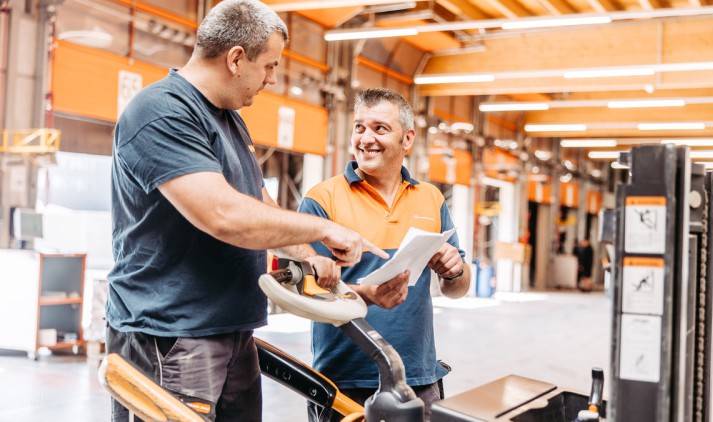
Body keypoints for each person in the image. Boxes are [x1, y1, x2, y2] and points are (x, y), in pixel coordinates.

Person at [106, 2, 386, 421]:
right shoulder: (161, 111)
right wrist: (325, 228)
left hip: (231, 327)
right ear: (236, 58)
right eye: (269, 66)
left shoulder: (229, 119)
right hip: (173, 334)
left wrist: (310, 257)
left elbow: (257, 201)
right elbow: (223, 214)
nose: (272, 79)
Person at [299, 88, 471, 421]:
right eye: (359, 127)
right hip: (344, 380)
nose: (366, 139)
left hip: (417, 378)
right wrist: (363, 296)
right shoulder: (323, 199)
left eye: (380, 128)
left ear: (407, 139)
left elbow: (458, 289)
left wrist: (453, 270)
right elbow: (306, 293)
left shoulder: (431, 199)